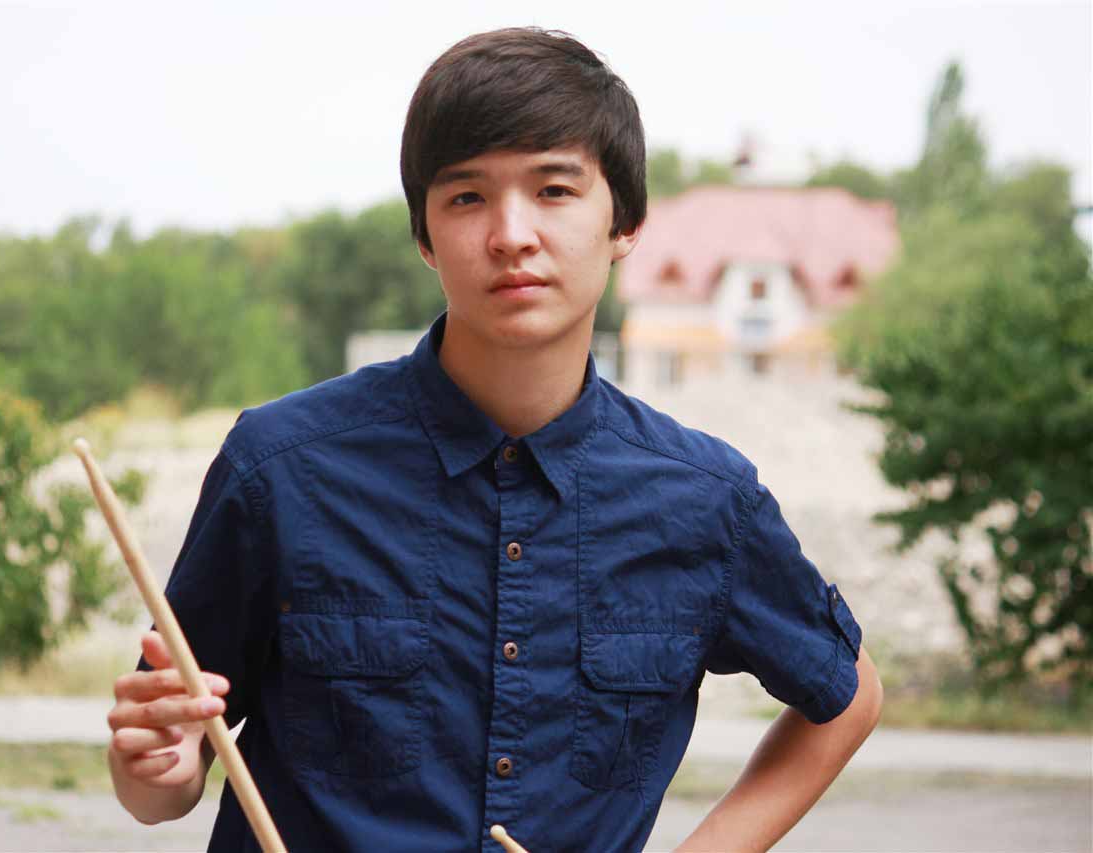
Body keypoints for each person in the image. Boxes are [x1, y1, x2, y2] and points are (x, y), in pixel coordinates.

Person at [105, 27, 883, 852]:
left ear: (625, 220)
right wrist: (158, 765)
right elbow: (162, 777)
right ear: (425, 236)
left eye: (554, 189)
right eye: (467, 197)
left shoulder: (703, 499)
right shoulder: (280, 469)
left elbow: (848, 695)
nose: (512, 234)